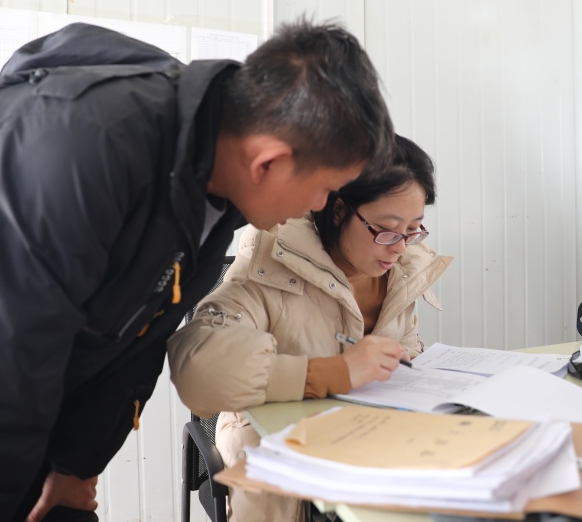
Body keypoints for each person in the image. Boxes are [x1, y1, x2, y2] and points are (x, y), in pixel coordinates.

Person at [0, 18, 394, 522]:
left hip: (23, 413)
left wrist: (77, 463)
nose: (321, 205)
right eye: (325, 188)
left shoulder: (212, 179)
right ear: (268, 162)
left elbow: (138, 336)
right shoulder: (80, 151)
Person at [167, 135, 453, 522]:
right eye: (386, 230)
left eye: (414, 229)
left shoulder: (401, 267)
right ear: (339, 210)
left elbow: (406, 352)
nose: (400, 247)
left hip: (376, 455)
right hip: (284, 481)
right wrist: (334, 373)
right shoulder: (270, 257)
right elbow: (199, 373)